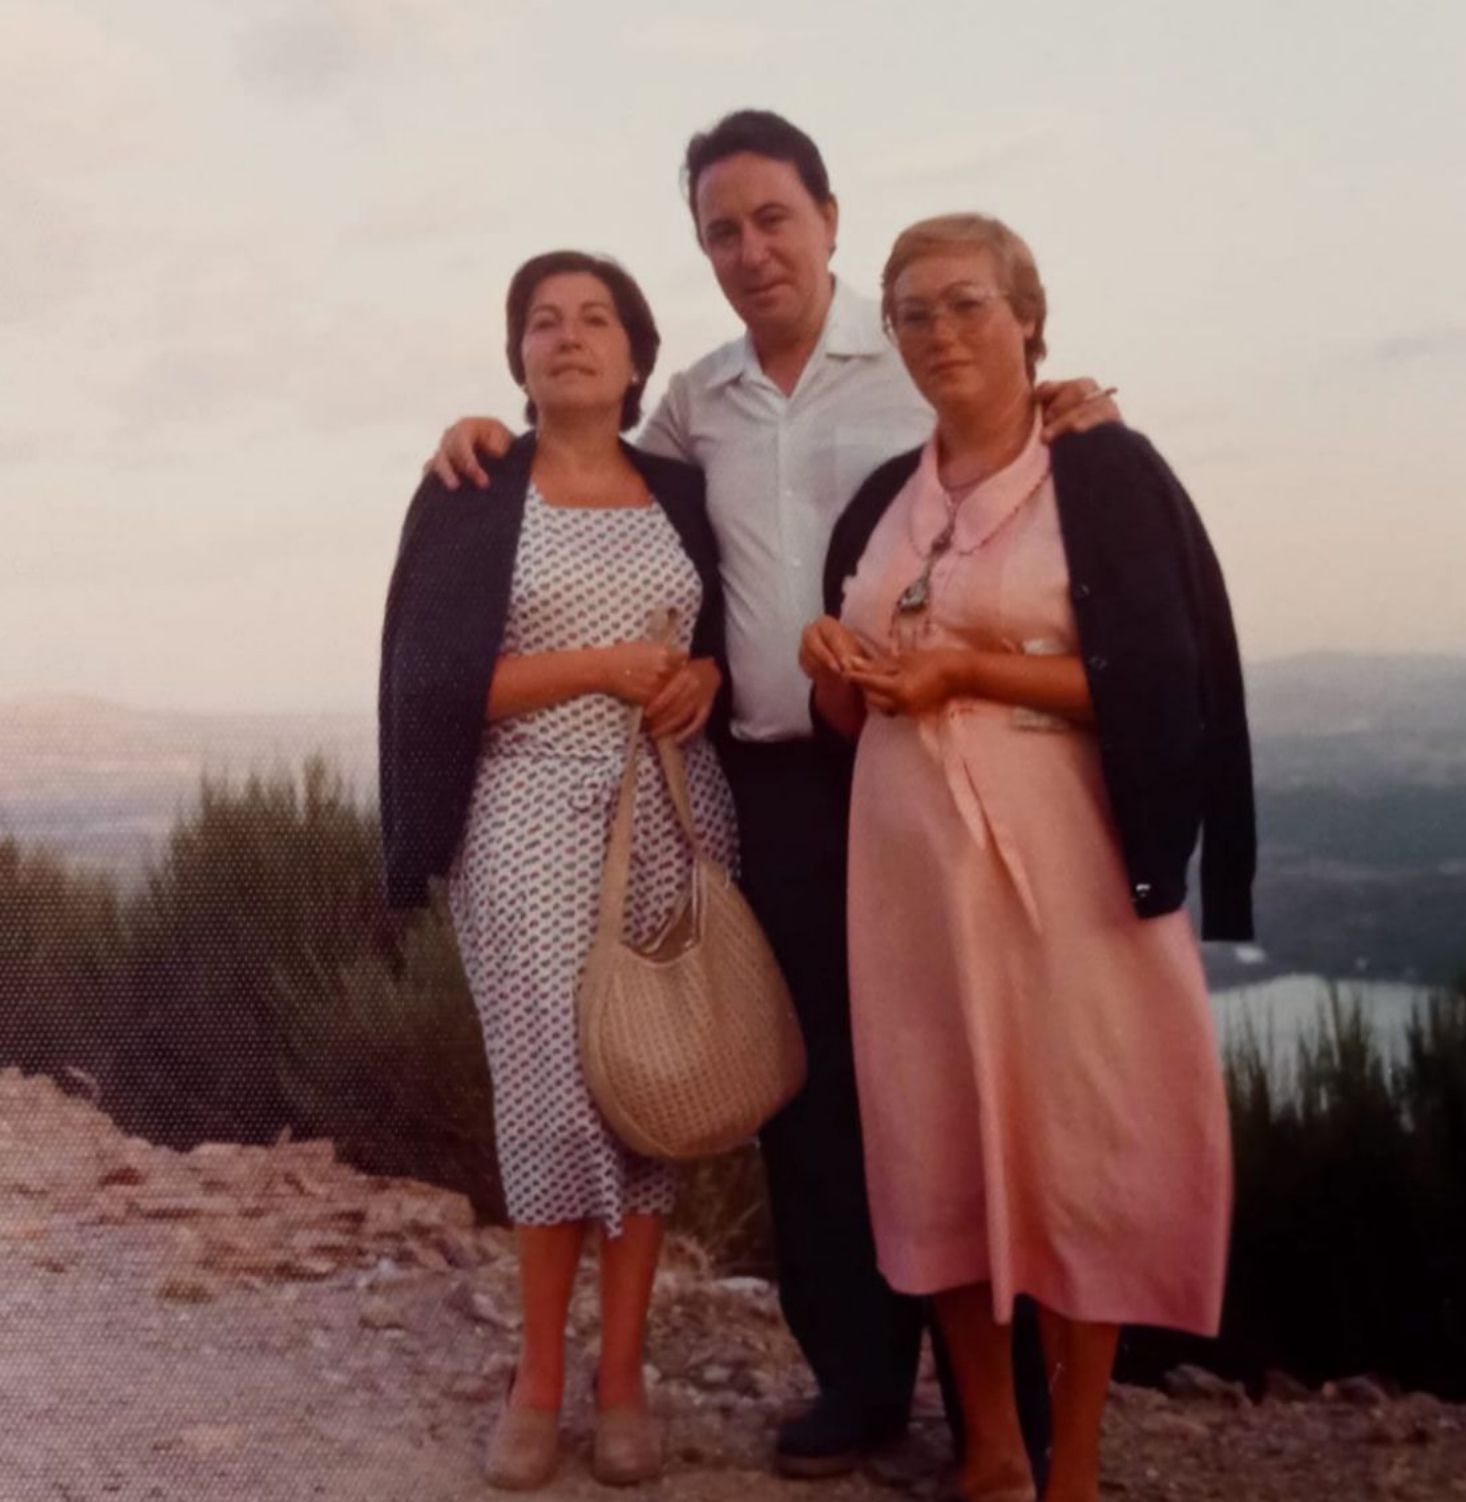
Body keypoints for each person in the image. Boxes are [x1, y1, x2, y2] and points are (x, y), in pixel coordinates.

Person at [425, 112, 1121, 1481]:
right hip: (770, 784)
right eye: (721, 232)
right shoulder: (698, 397)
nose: (750, 251)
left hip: (931, 768)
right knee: (805, 1094)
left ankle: (1021, 1420)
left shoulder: (918, 355)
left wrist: (1074, 406)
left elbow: (1014, 427)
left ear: (830, 216)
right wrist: (481, 436)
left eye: (772, 219)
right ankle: (858, 1380)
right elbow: (605, 476)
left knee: (973, 1079)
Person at [799, 213, 1254, 1502]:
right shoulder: (887, 498)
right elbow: (848, 716)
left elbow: (1165, 681)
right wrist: (830, 666)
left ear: (1026, 318)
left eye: (967, 305)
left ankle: (1080, 1464)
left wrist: (967, 669)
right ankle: (991, 1447)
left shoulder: (1105, 474)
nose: (940, 332)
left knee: (1084, 1140)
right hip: (907, 876)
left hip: (1072, 862)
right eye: (912, 311)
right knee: (936, 1137)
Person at [379, 250, 737, 1490]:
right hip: (522, 814)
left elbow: (725, 643)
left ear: (637, 357)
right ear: (517, 359)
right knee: (544, 1092)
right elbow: (430, 683)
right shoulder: (475, 486)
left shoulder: (685, 493)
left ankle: (622, 1376)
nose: (569, 336)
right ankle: (539, 1376)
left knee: (650, 1091)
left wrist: (703, 678)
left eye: (596, 319)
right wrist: (596, 667)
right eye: (544, 321)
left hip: (674, 812)